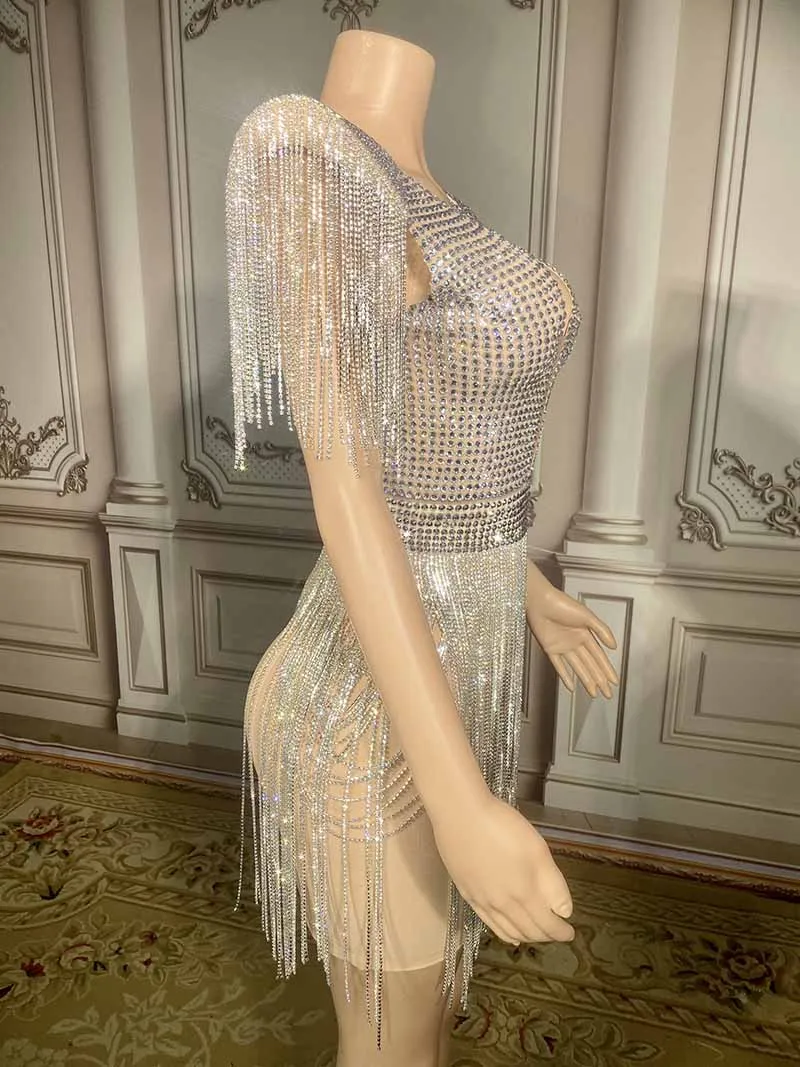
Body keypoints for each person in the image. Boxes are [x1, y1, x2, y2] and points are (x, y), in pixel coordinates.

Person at [226, 27, 619, 1066]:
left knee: (425, 1017)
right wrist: (461, 801)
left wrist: (524, 585)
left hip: (449, 665)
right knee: (392, 1044)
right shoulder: (314, 158)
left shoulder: (426, 194)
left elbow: (434, 457)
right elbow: (346, 481)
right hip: (363, 705)